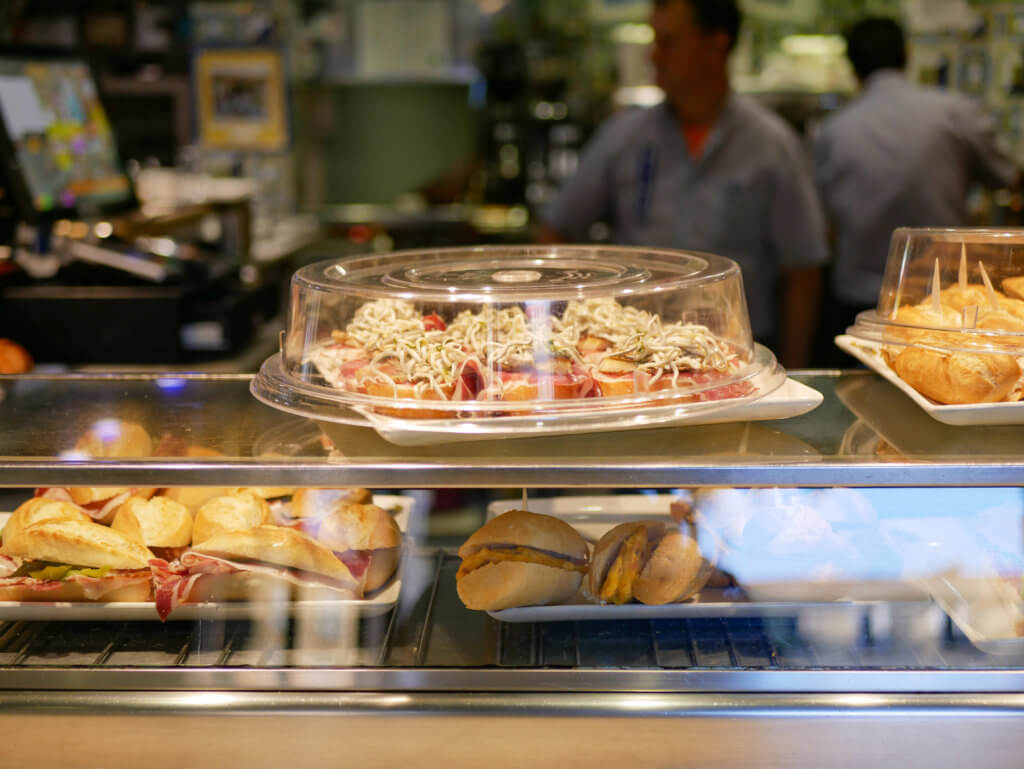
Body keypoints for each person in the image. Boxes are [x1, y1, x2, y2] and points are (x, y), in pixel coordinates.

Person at [538, 0, 828, 368]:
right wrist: (574, 324)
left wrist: (794, 369)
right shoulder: (625, 136)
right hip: (630, 353)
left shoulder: (772, 146)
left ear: (716, 45)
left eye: (669, 42)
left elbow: (803, 270)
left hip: (738, 355)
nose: (654, 56)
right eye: (654, 41)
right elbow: (556, 230)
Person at [814, 16, 1019, 351]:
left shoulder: (832, 130)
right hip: (947, 298)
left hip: (861, 301)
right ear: (907, 55)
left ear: (852, 66)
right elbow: (1010, 177)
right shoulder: (955, 112)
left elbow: (823, 225)